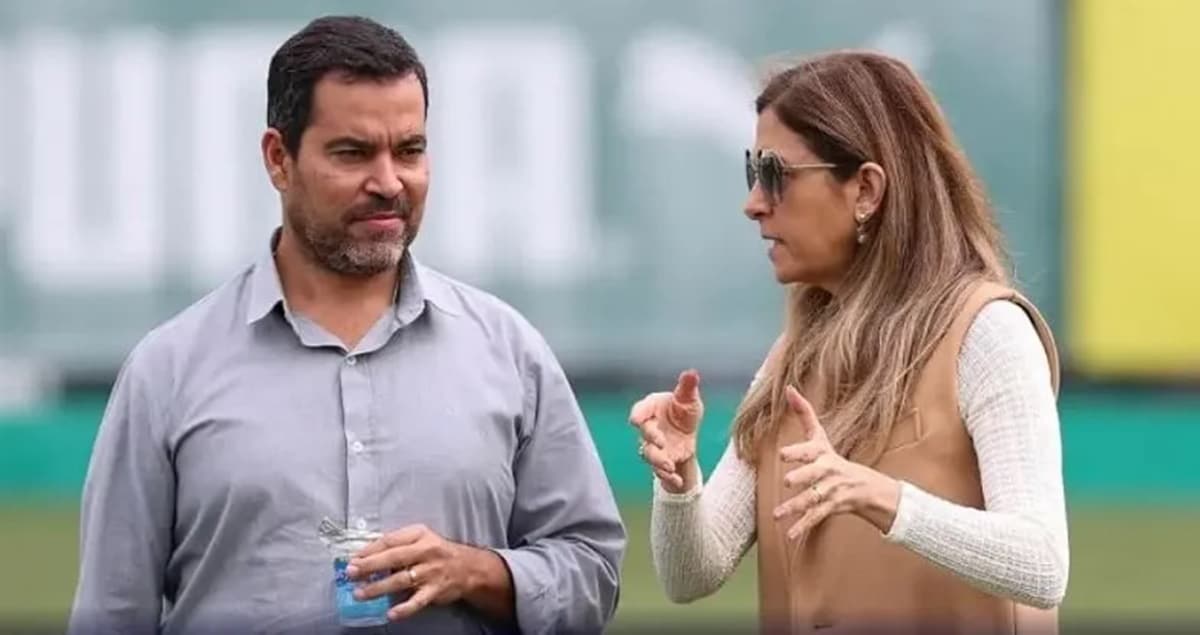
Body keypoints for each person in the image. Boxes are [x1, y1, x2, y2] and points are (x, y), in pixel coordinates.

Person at [67, 15, 624, 635]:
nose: (388, 182)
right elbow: (112, 614)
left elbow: (592, 574)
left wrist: (474, 571)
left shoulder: (509, 351)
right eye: (353, 153)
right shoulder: (167, 371)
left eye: (409, 150)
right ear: (279, 159)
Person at [630, 50, 1069, 634]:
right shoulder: (791, 356)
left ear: (865, 189)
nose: (753, 202)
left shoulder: (988, 332)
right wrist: (680, 479)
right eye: (752, 172)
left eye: (775, 175)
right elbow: (692, 575)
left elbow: (1041, 562)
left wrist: (882, 498)